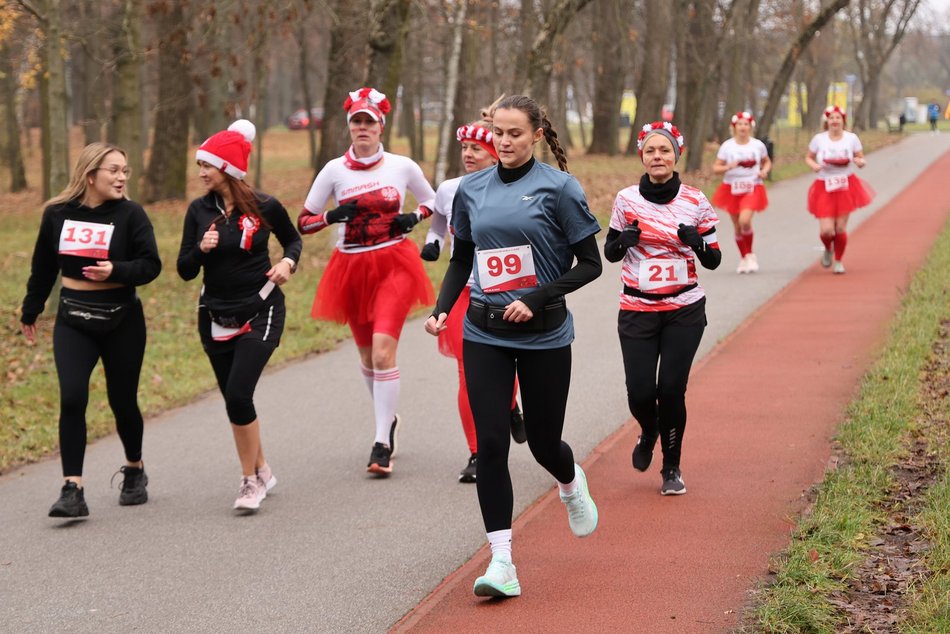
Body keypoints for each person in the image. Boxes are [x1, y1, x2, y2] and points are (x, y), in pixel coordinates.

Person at [425, 95, 602, 598]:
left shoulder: (560, 188)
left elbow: (590, 264)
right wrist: (443, 307)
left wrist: (536, 296)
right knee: (492, 444)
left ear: (536, 136)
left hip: (544, 333)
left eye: (514, 134)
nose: (503, 142)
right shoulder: (470, 189)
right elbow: (463, 259)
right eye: (497, 133)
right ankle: (502, 561)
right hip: (484, 332)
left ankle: (570, 482)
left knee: (545, 443)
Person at [298, 87, 436, 477]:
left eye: (369, 122)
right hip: (351, 269)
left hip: (394, 264)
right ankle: (387, 418)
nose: (363, 128)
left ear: (381, 128)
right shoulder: (333, 171)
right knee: (365, 358)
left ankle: (381, 443)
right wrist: (332, 216)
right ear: (349, 127)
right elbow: (304, 221)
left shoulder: (401, 166)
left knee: (381, 354)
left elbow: (433, 201)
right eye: (356, 122)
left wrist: (413, 218)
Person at [20, 142, 162, 518]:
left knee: (122, 401)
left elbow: (150, 265)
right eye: (113, 170)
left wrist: (115, 270)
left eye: (125, 171)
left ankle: (135, 469)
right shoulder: (57, 215)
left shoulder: (131, 214)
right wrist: (30, 309)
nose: (121, 177)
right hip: (73, 319)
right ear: (90, 174)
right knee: (71, 397)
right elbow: (43, 268)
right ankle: (73, 488)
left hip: (122, 320)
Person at [177, 120, 302, 511]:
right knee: (236, 402)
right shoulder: (199, 211)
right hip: (213, 313)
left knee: (238, 393)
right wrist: (201, 248)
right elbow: (183, 268)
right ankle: (262, 468)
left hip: (261, 308)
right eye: (199, 164)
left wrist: (287, 263)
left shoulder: (266, 206)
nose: (200, 173)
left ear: (227, 168)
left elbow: (293, 239)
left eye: (206, 165)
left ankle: (250, 482)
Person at [604, 121, 721, 496]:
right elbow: (609, 253)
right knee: (640, 393)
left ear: (676, 156)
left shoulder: (695, 200)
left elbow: (714, 260)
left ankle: (671, 466)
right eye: (651, 151)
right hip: (637, 308)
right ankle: (649, 428)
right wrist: (623, 240)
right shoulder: (625, 200)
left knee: (671, 389)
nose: (658, 156)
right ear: (642, 156)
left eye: (665, 150)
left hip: (683, 309)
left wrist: (696, 243)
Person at [422, 121, 526, 483]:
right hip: (467, 289)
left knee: (506, 365)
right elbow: (438, 226)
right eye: (464, 147)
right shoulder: (450, 189)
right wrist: (433, 244)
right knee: (469, 374)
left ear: (495, 151)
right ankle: (477, 451)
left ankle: (510, 405)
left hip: (508, 288)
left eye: (476, 149)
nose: (467, 154)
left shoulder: (518, 186)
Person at [804, 106, 874, 274]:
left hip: (845, 184)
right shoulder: (819, 139)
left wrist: (860, 162)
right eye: (832, 118)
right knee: (827, 230)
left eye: (838, 118)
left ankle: (839, 261)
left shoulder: (851, 139)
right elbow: (808, 157)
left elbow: (860, 157)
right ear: (826, 121)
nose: (835, 121)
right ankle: (828, 248)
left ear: (843, 121)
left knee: (840, 228)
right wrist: (814, 165)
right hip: (824, 185)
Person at [710, 111, 770, 273]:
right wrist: (729, 166)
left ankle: (750, 254)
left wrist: (764, 171)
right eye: (740, 124)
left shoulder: (757, 145)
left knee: (745, 221)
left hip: (752, 186)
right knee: (737, 226)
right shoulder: (727, 146)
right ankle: (743, 258)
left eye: (746, 124)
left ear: (750, 127)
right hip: (731, 188)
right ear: (734, 127)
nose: (743, 127)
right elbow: (716, 168)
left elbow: (766, 162)